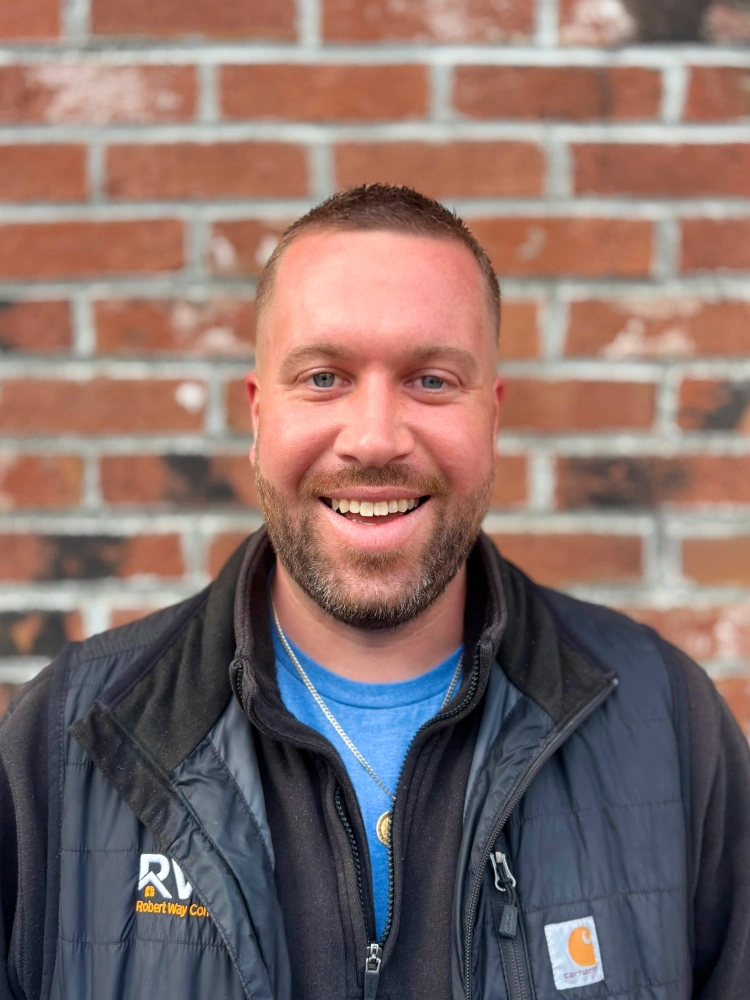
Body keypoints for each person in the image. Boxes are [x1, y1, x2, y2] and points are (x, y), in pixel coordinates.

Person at [1, 184, 748, 1000]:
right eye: (324, 377)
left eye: (431, 380)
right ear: (258, 416)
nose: (375, 440)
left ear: (492, 419)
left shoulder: (669, 725)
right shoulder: (64, 745)